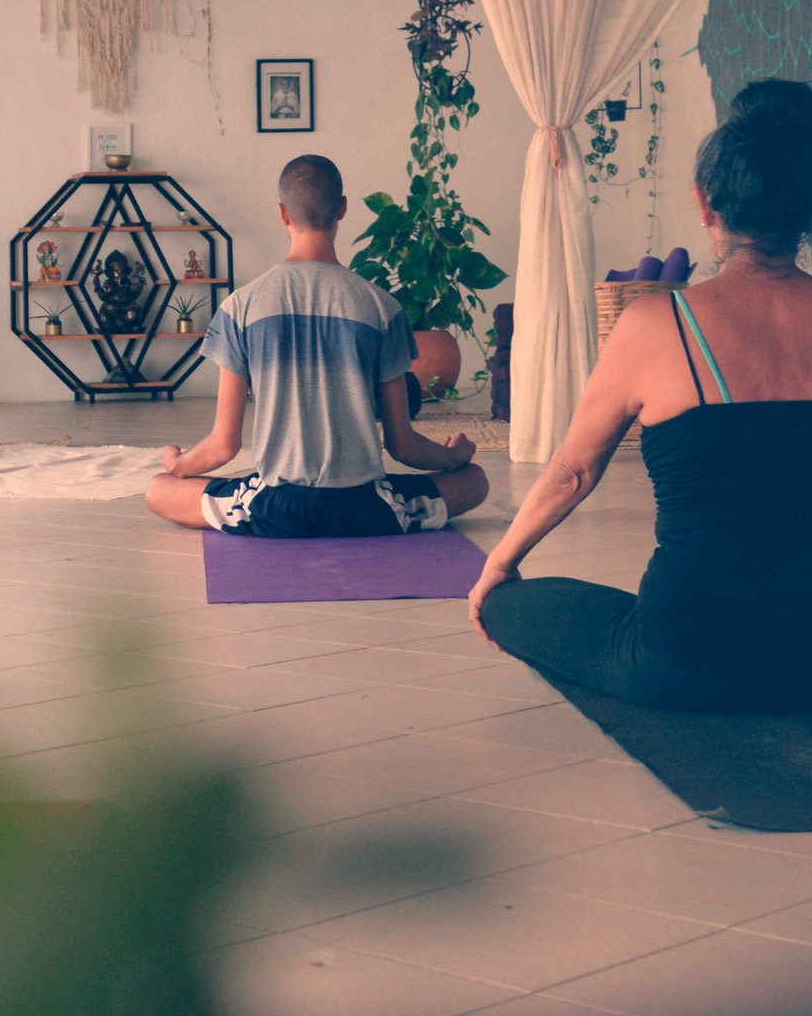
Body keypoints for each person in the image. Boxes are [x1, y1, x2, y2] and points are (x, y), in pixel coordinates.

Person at [470, 80, 812, 709]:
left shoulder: (658, 324)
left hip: (687, 657)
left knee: (510, 605)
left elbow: (573, 471)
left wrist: (498, 565)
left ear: (705, 204)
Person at [145, 154, 487, 533]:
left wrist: (179, 466)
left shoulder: (239, 307)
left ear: (282, 213)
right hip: (366, 508)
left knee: (158, 490)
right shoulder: (382, 307)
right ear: (342, 208)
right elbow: (402, 445)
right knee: (475, 481)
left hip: (275, 508)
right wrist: (453, 457)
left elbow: (223, 446)